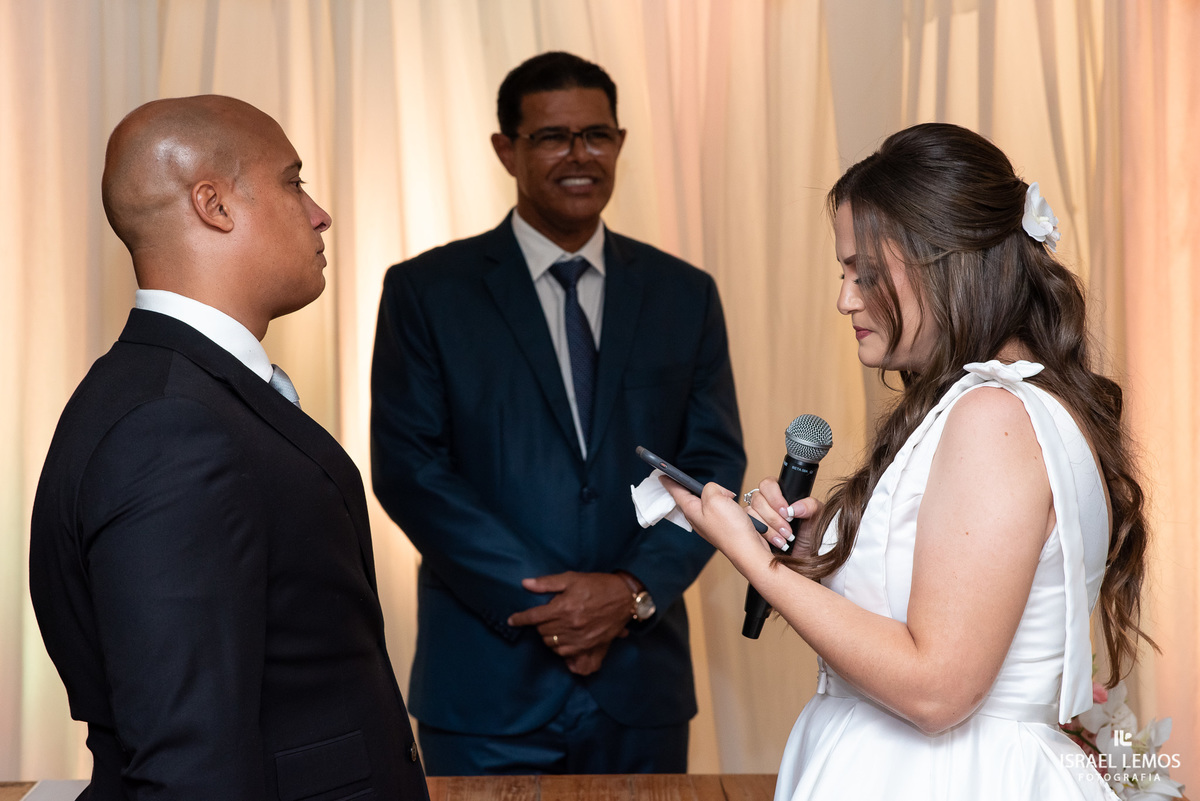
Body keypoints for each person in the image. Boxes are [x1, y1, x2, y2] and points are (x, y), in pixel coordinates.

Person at [666, 123, 1153, 799]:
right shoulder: (988, 405)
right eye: (845, 273)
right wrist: (812, 554)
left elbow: (935, 690)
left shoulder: (994, 416)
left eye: (866, 273)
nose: (846, 298)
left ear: (944, 264)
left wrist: (755, 561)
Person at [29, 95, 429, 800]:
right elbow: (189, 764)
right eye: (293, 182)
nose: (319, 213)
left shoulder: (172, 393)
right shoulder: (169, 427)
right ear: (213, 205)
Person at [370, 51, 745, 775]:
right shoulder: (427, 292)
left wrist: (631, 590)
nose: (580, 155)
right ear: (505, 150)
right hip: (486, 687)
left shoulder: (683, 293)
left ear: (620, 143)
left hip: (641, 683)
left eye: (597, 135)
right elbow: (411, 470)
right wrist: (558, 607)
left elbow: (711, 466)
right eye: (551, 137)